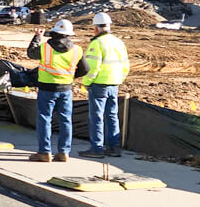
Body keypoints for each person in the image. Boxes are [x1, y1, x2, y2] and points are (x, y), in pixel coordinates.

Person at [26, 19, 89, 163]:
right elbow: (85, 69)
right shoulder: (77, 49)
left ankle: (44, 152)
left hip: (47, 88)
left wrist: (37, 37)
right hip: (66, 88)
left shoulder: (46, 47)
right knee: (66, 120)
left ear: (55, 32)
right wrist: (70, 76)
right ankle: (64, 152)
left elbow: (31, 53)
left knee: (44, 119)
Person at [78, 12, 130, 158]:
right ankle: (114, 148)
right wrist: (119, 79)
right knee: (112, 115)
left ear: (96, 28)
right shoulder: (119, 42)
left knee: (96, 117)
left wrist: (86, 82)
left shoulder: (97, 43)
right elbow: (126, 65)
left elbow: (92, 67)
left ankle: (97, 148)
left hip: (99, 84)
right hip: (114, 84)